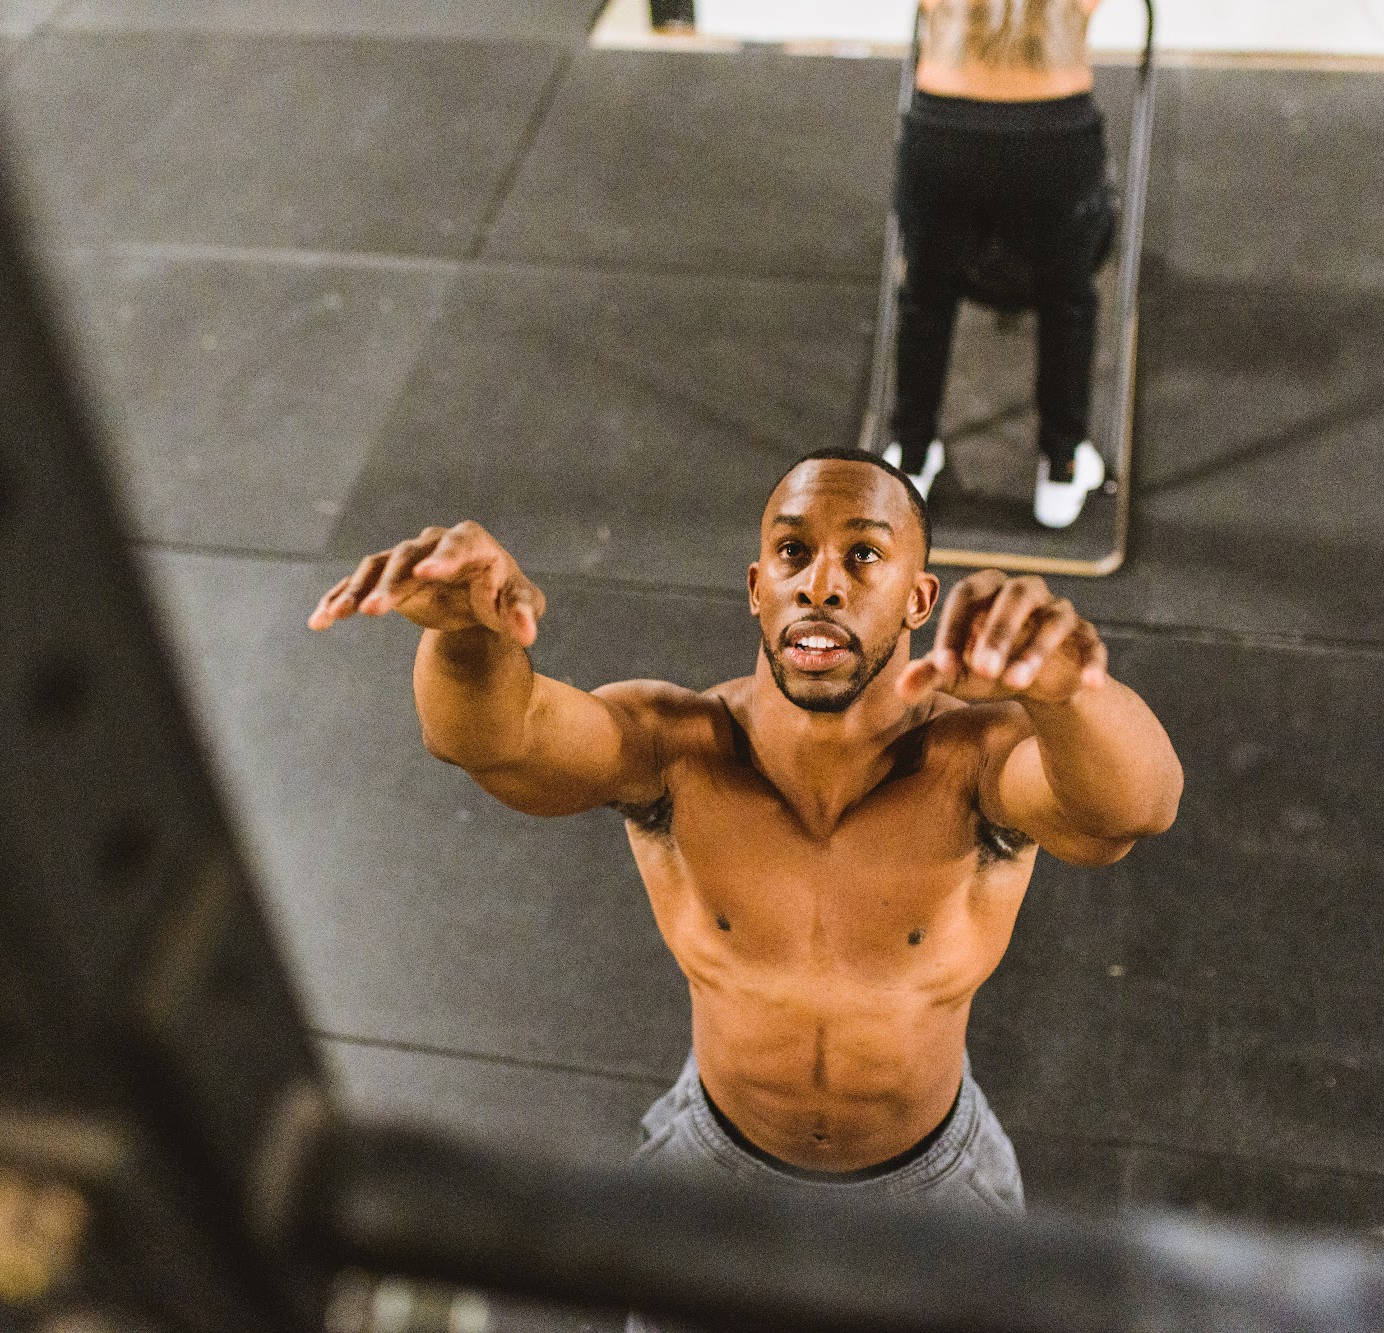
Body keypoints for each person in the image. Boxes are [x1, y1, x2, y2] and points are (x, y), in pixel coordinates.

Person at [308, 450, 1181, 1327]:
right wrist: (465, 636)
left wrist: (1068, 693)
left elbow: (1135, 809)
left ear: (919, 599)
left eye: (864, 555)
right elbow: (495, 739)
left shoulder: (976, 764)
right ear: (758, 588)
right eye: (794, 552)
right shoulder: (673, 748)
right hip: (716, 1169)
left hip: (929, 1188)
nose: (821, 584)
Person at [885, 0, 1115, 529]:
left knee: (926, 291)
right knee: (1068, 296)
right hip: (1054, 128)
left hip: (946, 126)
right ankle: (1061, 465)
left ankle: (912, 455)